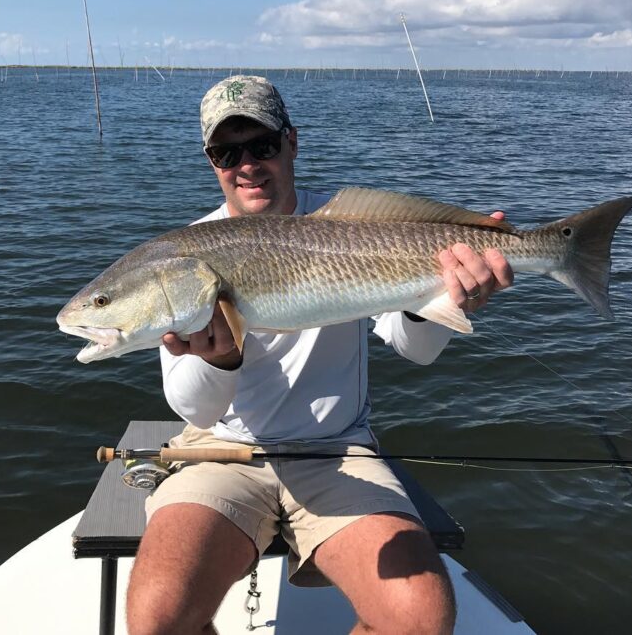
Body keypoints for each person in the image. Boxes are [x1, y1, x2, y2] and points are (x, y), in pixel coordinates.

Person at [126, 75, 513, 635]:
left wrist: (437, 300)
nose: (248, 165)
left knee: (420, 619)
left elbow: (414, 349)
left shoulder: (350, 230)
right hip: (222, 452)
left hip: (338, 450)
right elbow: (195, 412)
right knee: (157, 618)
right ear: (211, 161)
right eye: (227, 152)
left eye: (262, 146)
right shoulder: (185, 256)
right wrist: (220, 361)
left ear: (292, 142)